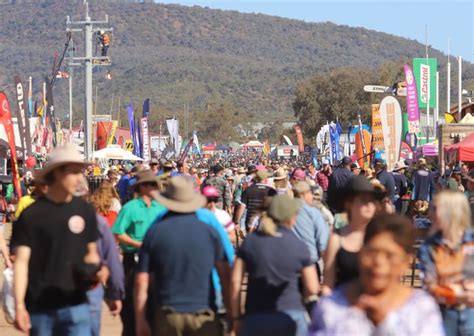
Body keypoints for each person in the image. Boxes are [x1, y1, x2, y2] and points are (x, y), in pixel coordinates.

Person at [12, 144, 103, 335]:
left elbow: (92, 254)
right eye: (74, 172)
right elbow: (21, 262)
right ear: (57, 173)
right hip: (41, 308)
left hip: (77, 304)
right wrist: (19, 306)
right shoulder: (31, 215)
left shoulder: (85, 211)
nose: (80, 178)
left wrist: (97, 269)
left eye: (81, 172)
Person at [309, 215, 444, 335]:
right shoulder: (332, 306)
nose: (378, 262)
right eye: (372, 253)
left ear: (406, 262)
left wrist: (385, 325)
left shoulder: (421, 310)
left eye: (389, 255)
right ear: (360, 253)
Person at [135, 176, 233, 336]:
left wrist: (140, 318)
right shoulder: (209, 228)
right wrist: (233, 313)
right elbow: (225, 272)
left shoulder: (156, 229)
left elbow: (141, 280)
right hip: (204, 311)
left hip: (167, 313)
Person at [230, 195, 319, 336]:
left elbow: (235, 282)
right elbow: (312, 287)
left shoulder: (251, 241)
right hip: (291, 315)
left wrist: (235, 317)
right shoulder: (298, 244)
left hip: (256, 317)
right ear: (291, 218)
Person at [112, 170, 166, 336]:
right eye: (148, 184)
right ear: (140, 187)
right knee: (130, 306)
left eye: (154, 184)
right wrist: (139, 244)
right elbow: (118, 233)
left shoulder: (161, 208)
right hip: (133, 260)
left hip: (157, 261)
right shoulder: (130, 208)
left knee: (156, 304)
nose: (152, 187)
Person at [418, 190, 474, 336]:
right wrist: (459, 296)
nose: (430, 214)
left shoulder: (471, 243)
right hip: (442, 316)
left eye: (435, 209)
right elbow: (430, 286)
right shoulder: (429, 247)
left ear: (451, 211)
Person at [322, 176, 379, 294]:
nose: (369, 205)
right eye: (363, 200)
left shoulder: (380, 236)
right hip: (343, 305)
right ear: (349, 204)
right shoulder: (336, 237)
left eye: (371, 201)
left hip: (374, 306)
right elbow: (328, 283)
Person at [293, 181, 329, 281]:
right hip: (309, 265)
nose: (312, 196)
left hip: (287, 266)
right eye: (310, 193)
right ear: (304, 194)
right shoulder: (313, 213)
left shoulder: (285, 210)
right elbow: (323, 244)